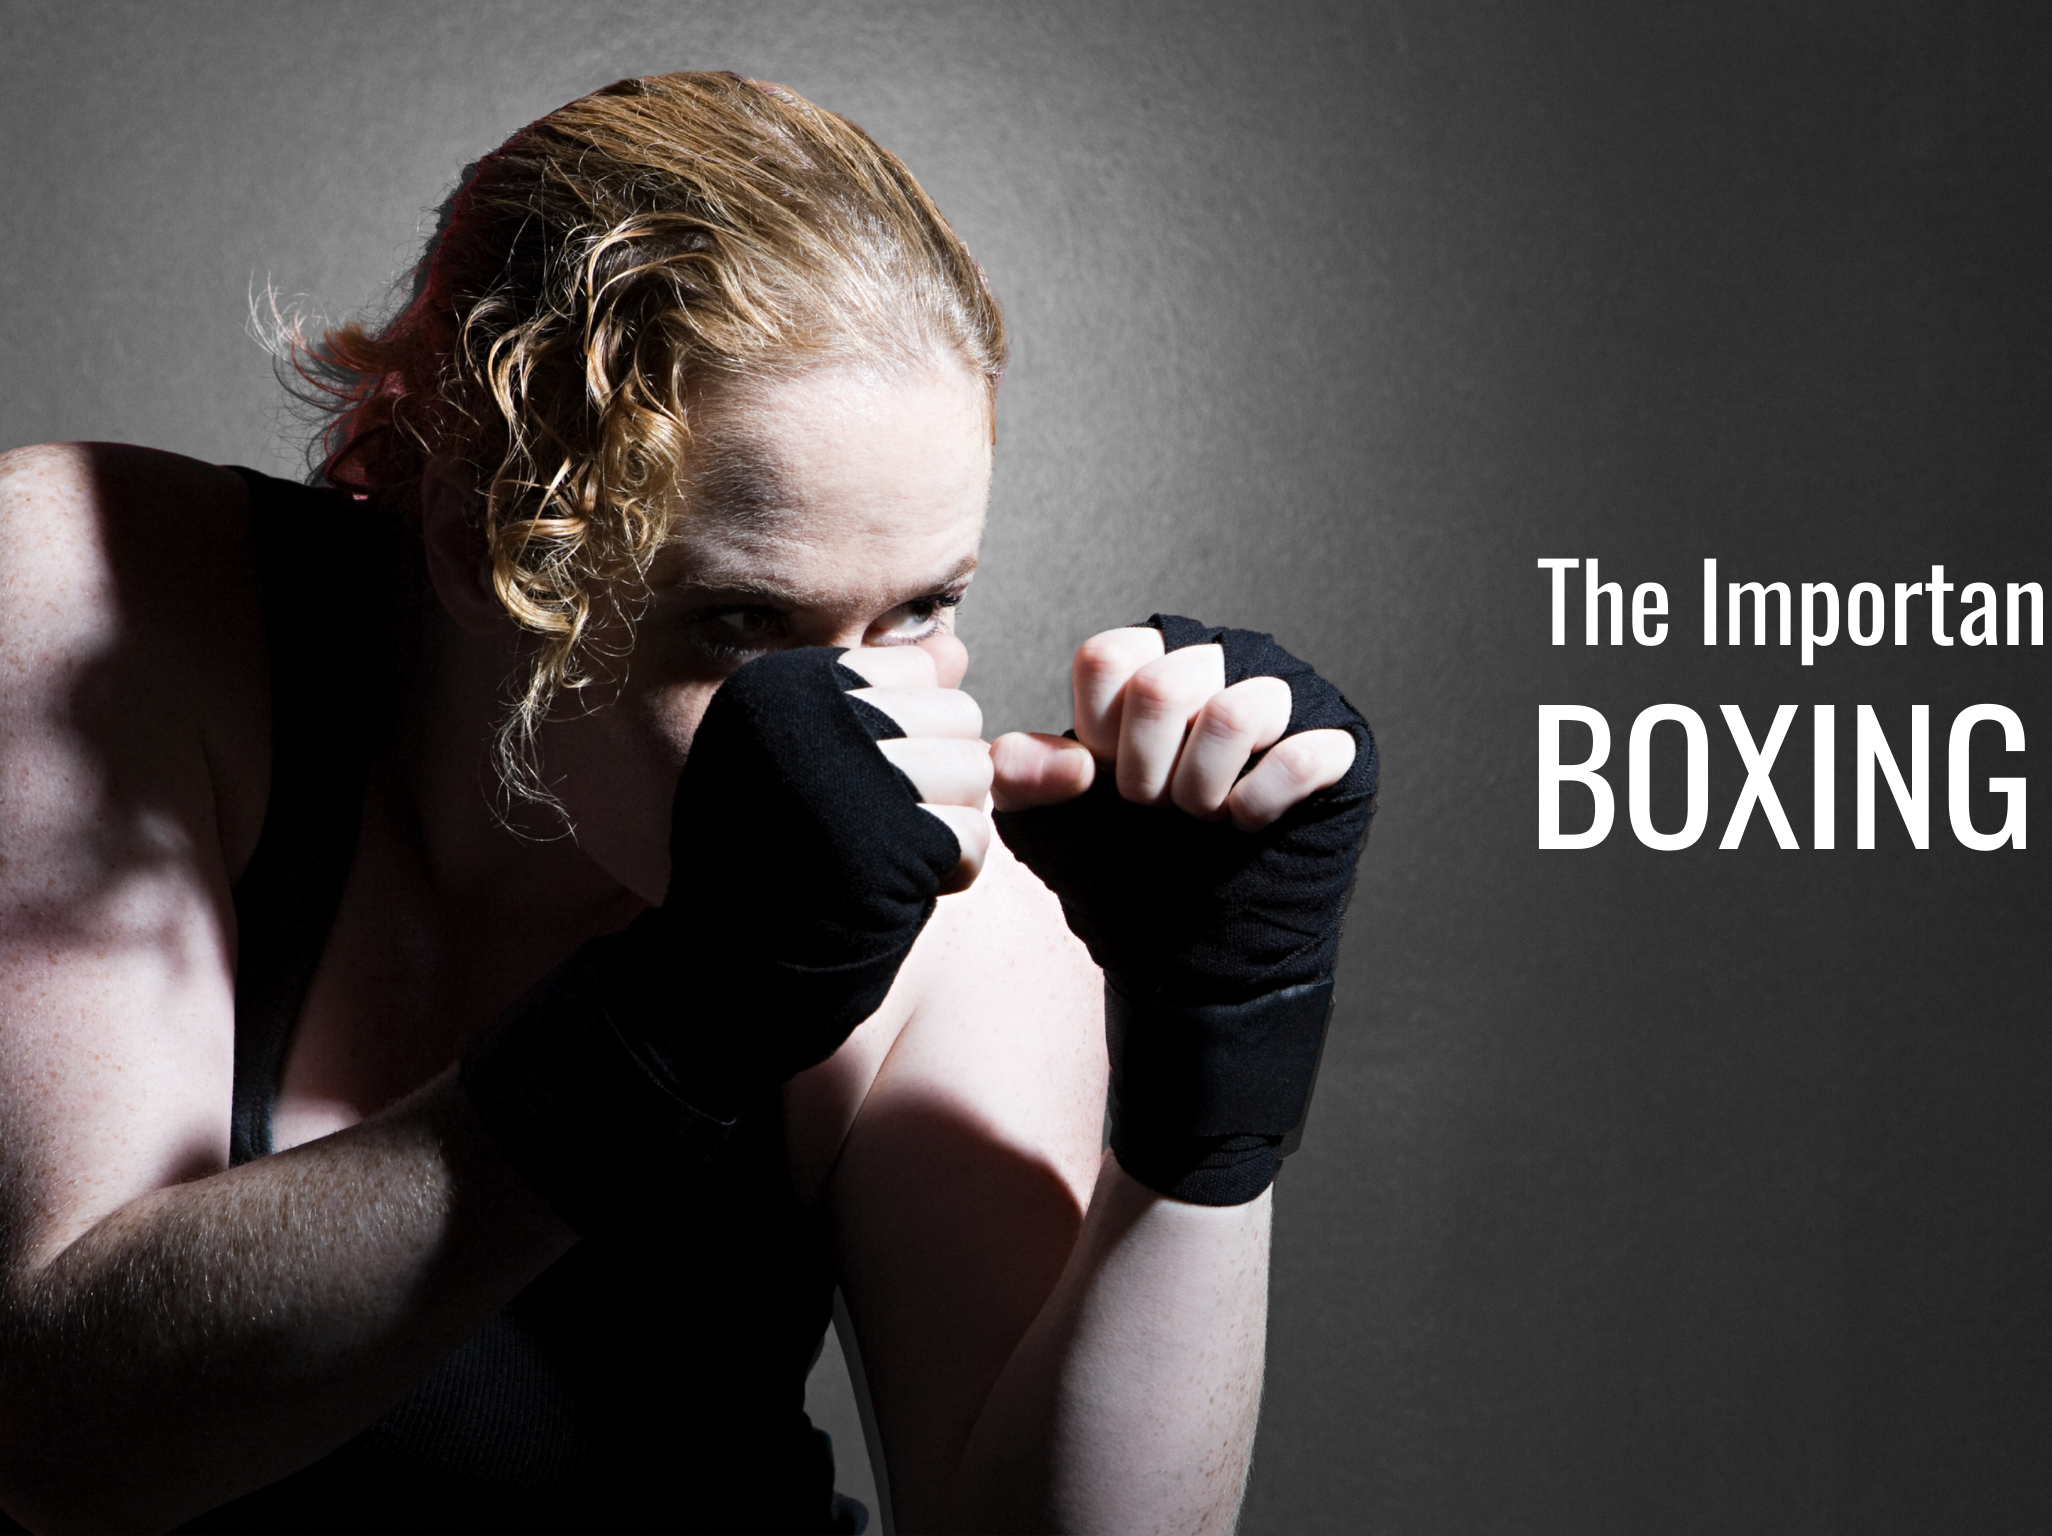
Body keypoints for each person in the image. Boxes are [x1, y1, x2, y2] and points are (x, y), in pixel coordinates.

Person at [0, 71, 1374, 1535]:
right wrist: (674, 1024)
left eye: (920, 611)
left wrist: (1211, 1093)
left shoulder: (951, 918)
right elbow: (63, 1443)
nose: (850, 725)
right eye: (736, 625)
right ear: (485, 539)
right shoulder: (110, 604)